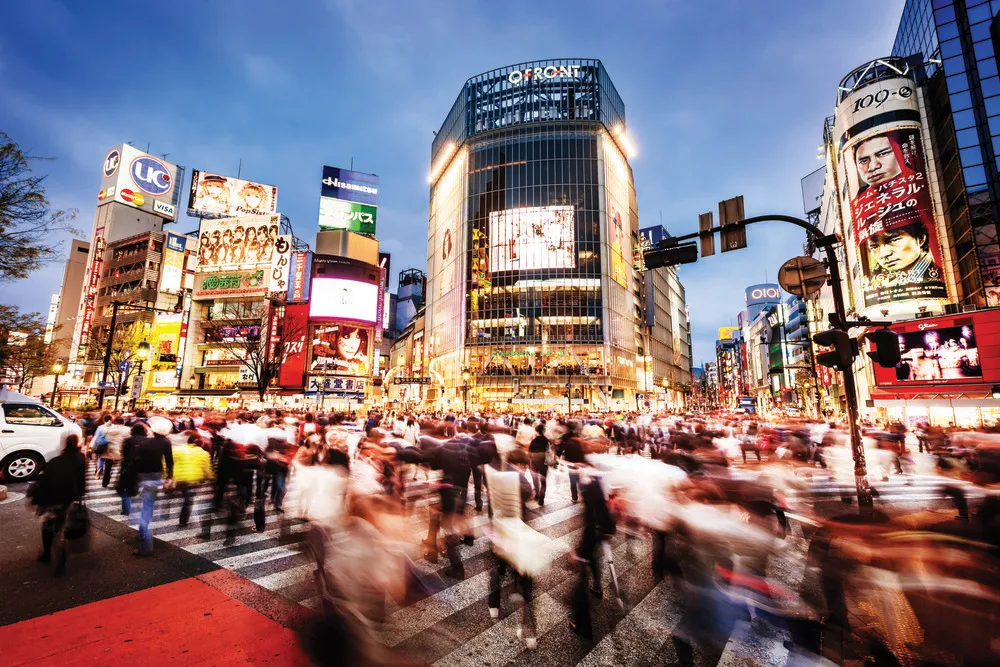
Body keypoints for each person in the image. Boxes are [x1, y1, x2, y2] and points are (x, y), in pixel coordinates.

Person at [31, 433, 86, 576]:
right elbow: (81, 480)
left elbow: (44, 478)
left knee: (49, 525)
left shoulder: (55, 460)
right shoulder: (80, 458)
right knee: (61, 527)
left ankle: (47, 554)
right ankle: (61, 553)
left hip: (51, 497)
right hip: (67, 497)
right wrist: (80, 495)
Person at [132, 416, 174, 556]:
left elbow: (136, 461)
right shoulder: (166, 443)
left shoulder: (144, 443)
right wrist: (169, 478)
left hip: (143, 477)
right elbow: (170, 462)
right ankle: (141, 533)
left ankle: (146, 545)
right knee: (146, 507)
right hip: (156, 477)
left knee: (141, 510)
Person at [171, 431, 214, 527]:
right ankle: (183, 521)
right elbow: (206, 469)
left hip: (179, 478)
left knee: (184, 495)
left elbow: (169, 462)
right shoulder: (204, 453)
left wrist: (168, 476)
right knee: (188, 500)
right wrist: (210, 478)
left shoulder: (177, 449)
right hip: (192, 480)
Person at [99, 416, 130, 488]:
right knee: (122, 467)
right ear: (123, 422)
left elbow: (104, 433)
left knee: (108, 467)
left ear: (114, 422)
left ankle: (105, 482)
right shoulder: (128, 429)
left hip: (111, 450)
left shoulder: (111, 429)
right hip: (122, 451)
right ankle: (119, 483)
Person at [528, 424, 549, 505]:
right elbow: (549, 452)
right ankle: (542, 498)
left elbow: (529, 453)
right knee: (543, 481)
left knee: (535, 478)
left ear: (536, 431)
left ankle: (537, 494)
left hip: (534, 462)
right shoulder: (546, 440)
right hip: (544, 462)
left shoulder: (534, 441)